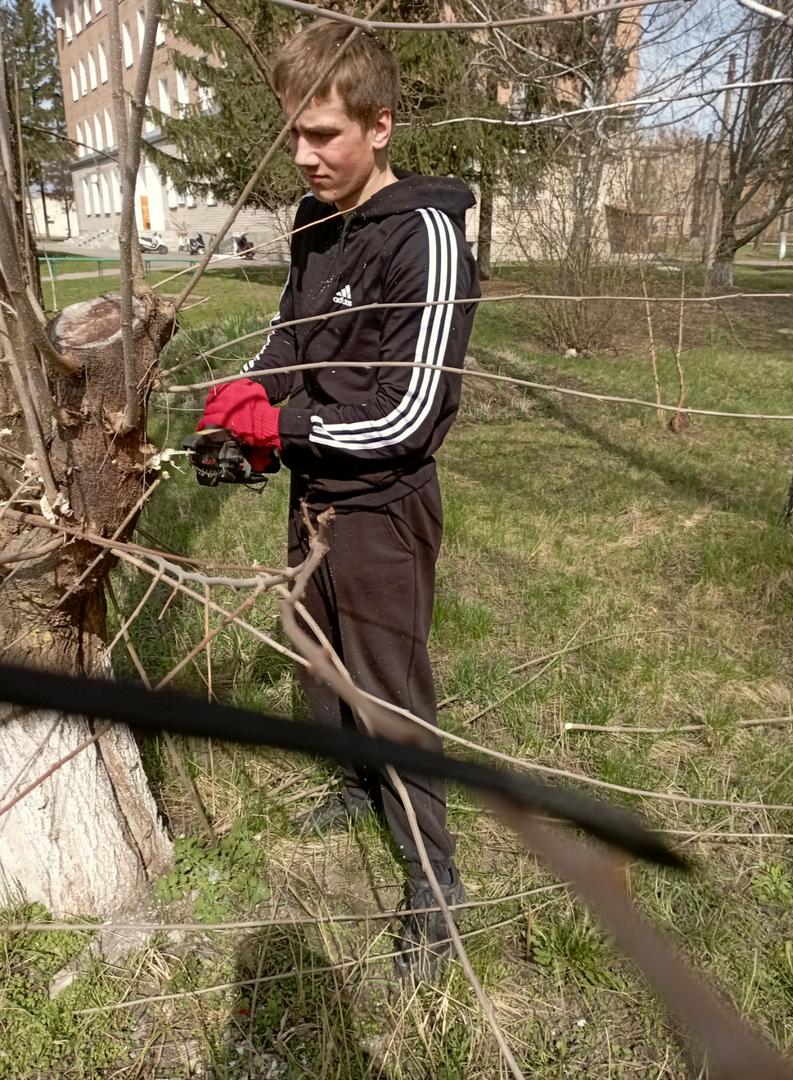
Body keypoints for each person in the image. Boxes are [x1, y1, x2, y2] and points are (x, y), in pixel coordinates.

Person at [197, 19, 480, 980]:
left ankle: (434, 883)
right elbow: (288, 339)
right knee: (320, 660)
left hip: (381, 506)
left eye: (323, 134)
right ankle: (360, 782)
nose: (303, 154)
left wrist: (283, 427)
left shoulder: (426, 238)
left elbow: (409, 412)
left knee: (391, 690)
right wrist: (243, 401)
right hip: (314, 491)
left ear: (380, 125)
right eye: (294, 133)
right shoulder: (313, 222)